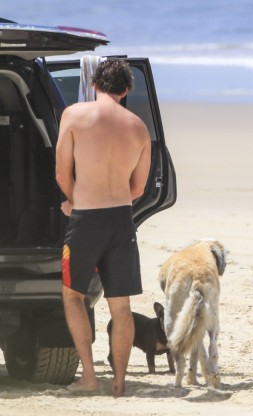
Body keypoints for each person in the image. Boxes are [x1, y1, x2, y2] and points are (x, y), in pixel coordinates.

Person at [56, 59, 151, 396]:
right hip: (121, 220)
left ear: (94, 84)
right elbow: (138, 188)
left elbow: (62, 173)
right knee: (121, 306)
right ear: (125, 91)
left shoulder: (74, 115)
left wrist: (74, 201)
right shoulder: (139, 127)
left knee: (73, 295)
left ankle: (89, 376)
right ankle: (119, 382)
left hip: (86, 220)